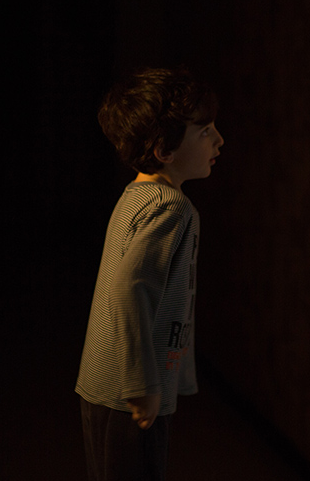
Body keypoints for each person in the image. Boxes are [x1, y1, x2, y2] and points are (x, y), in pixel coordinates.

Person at [76, 67, 224, 481]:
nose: (219, 140)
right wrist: (143, 384)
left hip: (106, 384)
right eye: (205, 131)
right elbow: (129, 290)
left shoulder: (136, 195)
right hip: (128, 392)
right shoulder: (171, 208)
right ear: (164, 150)